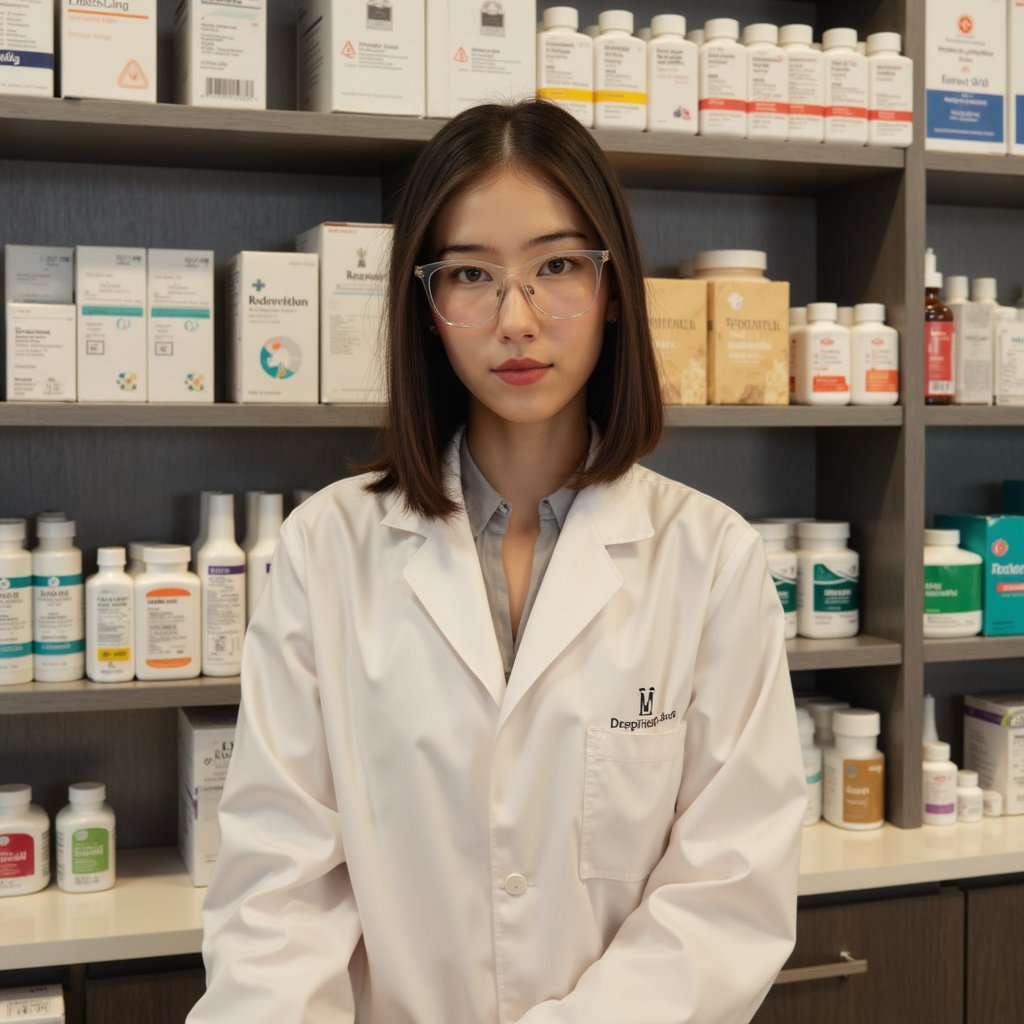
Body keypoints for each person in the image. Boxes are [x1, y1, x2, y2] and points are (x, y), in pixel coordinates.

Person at [187, 99, 805, 1024]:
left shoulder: (711, 559)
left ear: (612, 290)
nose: (517, 319)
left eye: (557, 266)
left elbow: (727, 894)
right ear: (429, 308)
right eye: (472, 275)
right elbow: (279, 893)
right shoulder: (326, 549)